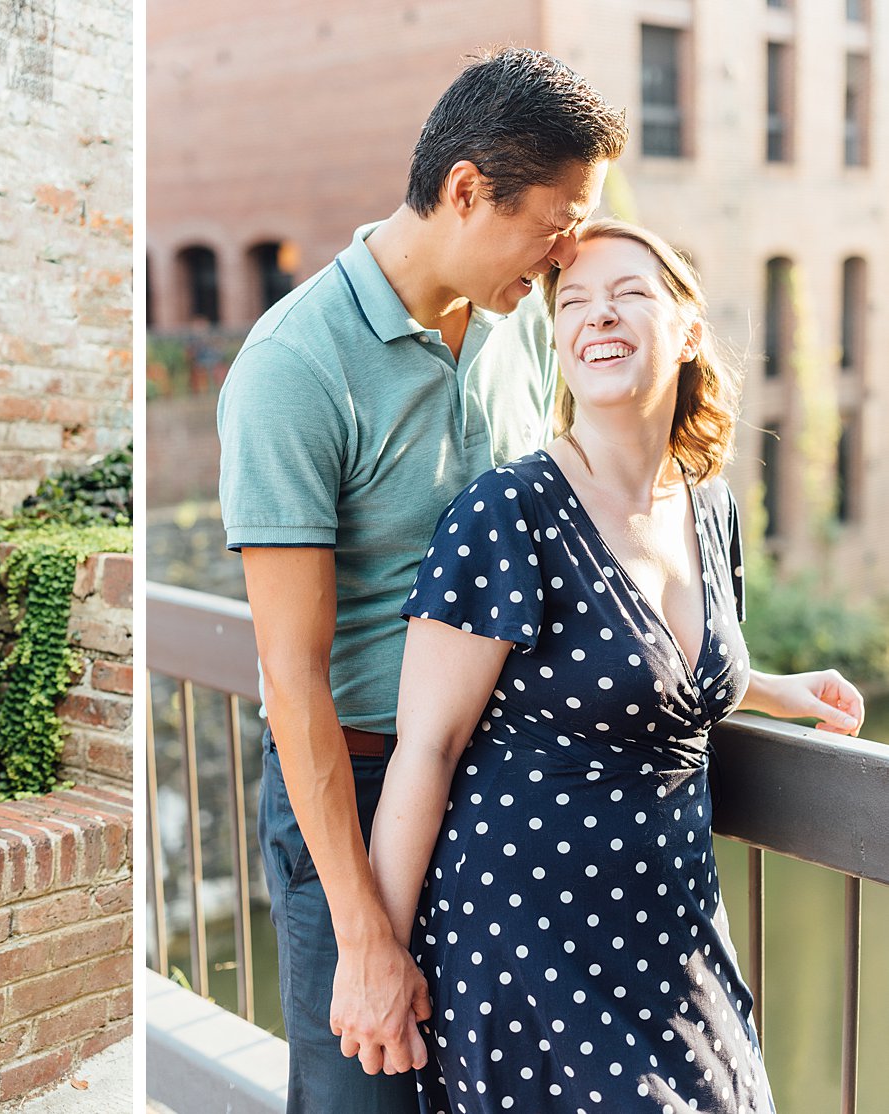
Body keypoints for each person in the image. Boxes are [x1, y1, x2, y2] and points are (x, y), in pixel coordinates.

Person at [368, 220, 865, 1113]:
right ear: (558, 343)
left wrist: (763, 687)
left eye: (629, 293)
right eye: (576, 303)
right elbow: (426, 749)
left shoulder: (707, 506)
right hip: (527, 942)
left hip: (676, 938)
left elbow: (638, 667)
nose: (598, 316)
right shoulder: (508, 512)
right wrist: (381, 957)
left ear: (685, 329)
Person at [216, 47, 627, 1113]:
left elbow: (562, 564)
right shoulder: (294, 366)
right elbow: (292, 682)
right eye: (555, 217)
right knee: (368, 1097)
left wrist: (754, 684)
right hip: (352, 793)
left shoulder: (519, 323)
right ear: (463, 190)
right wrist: (363, 934)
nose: (567, 247)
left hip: (502, 788)